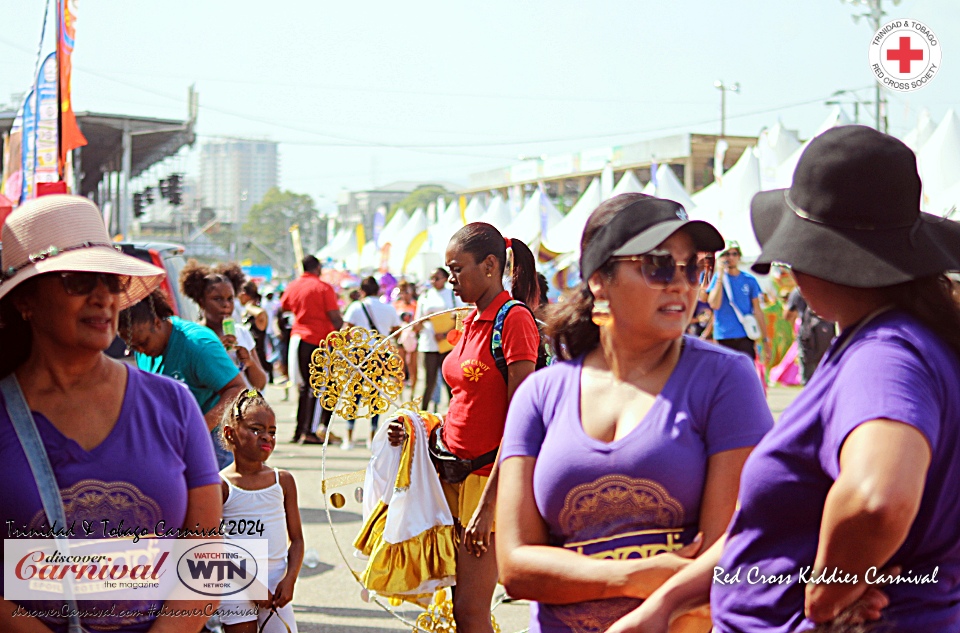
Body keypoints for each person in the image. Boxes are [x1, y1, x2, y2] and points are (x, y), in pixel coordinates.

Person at [609, 126, 960, 633]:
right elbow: (769, 530)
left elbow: (876, 499)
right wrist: (664, 605)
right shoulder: (902, 340)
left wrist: (824, 595)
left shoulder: (884, 354)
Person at [496, 193, 773, 633]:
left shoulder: (726, 379)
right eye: (658, 265)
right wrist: (629, 577)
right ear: (600, 279)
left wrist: (576, 576)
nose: (681, 284)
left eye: (694, 268)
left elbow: (728, 553)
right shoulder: (540, 394)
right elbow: (514, 565)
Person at [0, 194, 222, 633]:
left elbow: (207, 552)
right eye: (77, 280)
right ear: (25, 300)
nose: (102, 296)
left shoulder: (174, 405)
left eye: (110, 279)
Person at [391, 223, 541, 633]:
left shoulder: (513, 320)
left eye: (457, 269)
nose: (450, 279)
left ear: (490, 265)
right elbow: (465, 403)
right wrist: (420, 428)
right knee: (459, 609)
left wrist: (489, 504)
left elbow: (522, 420)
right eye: (448, 270)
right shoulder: (471, 320)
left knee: (470, 612)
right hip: (450, 477)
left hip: (487, 482)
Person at [119, 289, 247, 471]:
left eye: (143, 343)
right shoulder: (145, 346)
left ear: (157, 323)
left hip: (214, 444)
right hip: (176, 442)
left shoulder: (198, 345)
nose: (140, 351)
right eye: (134, 347)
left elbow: (238, 389)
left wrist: (199, 429)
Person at [219, 389, 304, 633]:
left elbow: (296, 540)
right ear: (230, 433)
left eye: (272, 431)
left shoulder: (283, 481)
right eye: (256, 429)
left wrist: (290, 580)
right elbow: (214, 547)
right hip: (236, 582)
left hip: (277, 586)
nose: (266, 437)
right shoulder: (220, 486)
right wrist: (251, 586)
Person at [281, 255, 343, 444]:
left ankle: (301, 429)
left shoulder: (293, 286)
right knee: (318, 387)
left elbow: (283, 309)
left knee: (303, 388)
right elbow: (335, 317)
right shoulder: (323, 288)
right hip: (318, 341)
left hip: (298, 338)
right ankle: (310, 431)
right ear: (317, 268)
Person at [180, 261, 268, 392]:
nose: (226, 305)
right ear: (201, 302)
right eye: (217, 299)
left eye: (230, 299)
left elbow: (260, 384)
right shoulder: (192, 338)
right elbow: (190, 384)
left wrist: (249, 362)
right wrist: (215, 352)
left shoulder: (242, 333)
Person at [342, 275, 400, 449]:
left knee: (354, 395)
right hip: (379, 355)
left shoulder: (355, 307)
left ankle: (349, 437)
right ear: (378, 290)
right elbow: (397, 330)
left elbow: (344, 331)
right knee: (375, 394)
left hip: (358, 354)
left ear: (362, 291)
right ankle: (372, 437)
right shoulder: (388, 308)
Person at [706, 240, 771, 361]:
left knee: (746, 373)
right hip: (723, 337)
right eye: (727, 254)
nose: (730, 257)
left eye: (734, 254)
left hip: (745, 335)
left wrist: (765, 339)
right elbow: (714, 304)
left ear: (739, 256)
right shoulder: (718, 279)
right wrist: (720, 275)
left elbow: (757, 310)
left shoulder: (749, 280)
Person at [414, 267, 464, 410]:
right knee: (429, 382)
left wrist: (446, 332)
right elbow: (417, 322)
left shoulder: (453, 295)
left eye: (437, 278)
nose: (434, 281)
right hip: (429, 344)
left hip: (447, 343)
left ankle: (453, 412)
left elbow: (461, 317)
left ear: (445, 278)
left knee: (449, 381)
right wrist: (426, 320)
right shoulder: (425, 297)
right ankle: (423, 415)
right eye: (432, 278)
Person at [784, 287, 836, 384]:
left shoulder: (798, 291)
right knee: (826, 369)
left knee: (808, 373)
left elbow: (788, 315)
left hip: (807, 335)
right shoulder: (828, 288)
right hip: (828, 334)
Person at [240, 280, 273, 384]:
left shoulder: (257, 314)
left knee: (255, 395)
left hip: (259, 365)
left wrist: (248, 307)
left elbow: (261, 314)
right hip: (247, 364)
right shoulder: (246, 314)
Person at [393, 280, 419, 394]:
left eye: (407, 291)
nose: (405, 294)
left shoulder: (416, 305)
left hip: (413, 338)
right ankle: (400, 394)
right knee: (400, 366)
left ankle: (413, 392)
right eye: (402, 292)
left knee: (412, 365)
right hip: (400, 339)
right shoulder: (396, 305)